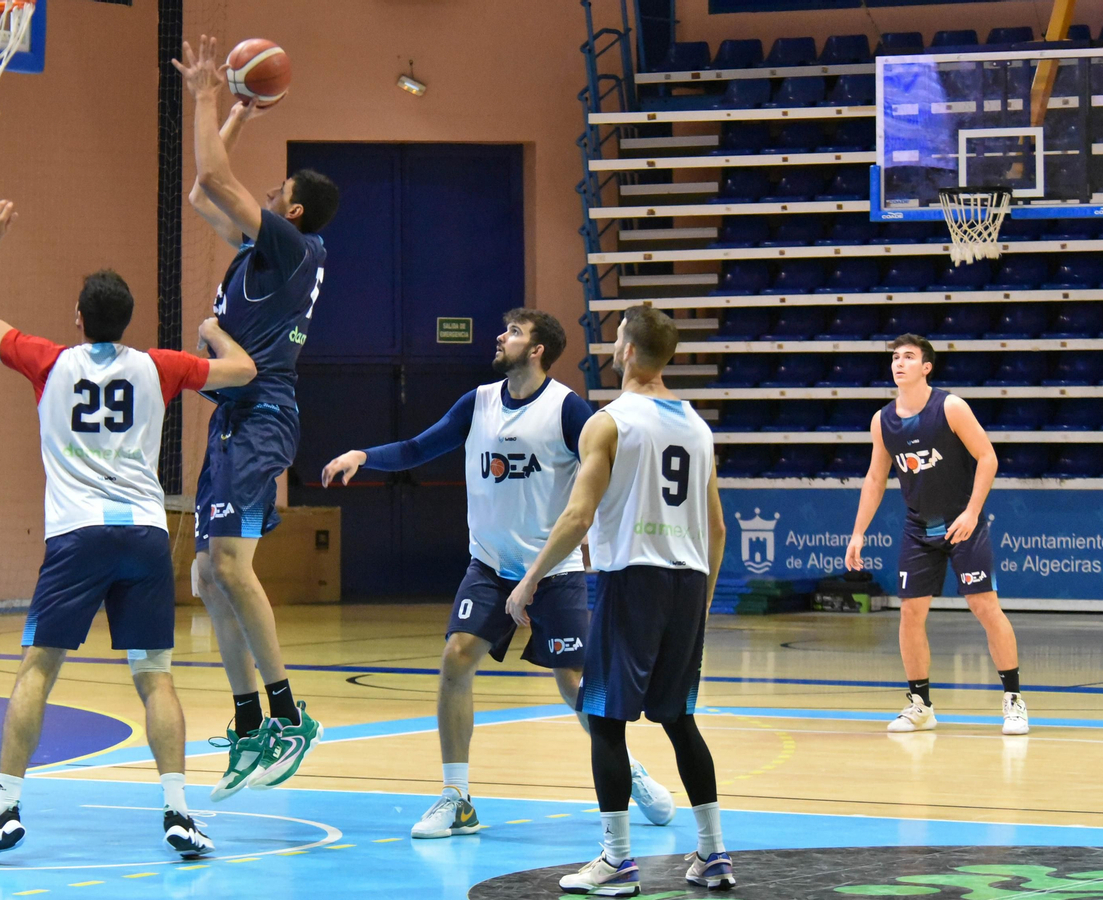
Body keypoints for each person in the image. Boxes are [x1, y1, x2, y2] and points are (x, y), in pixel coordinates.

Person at [0, 200, 258, 862]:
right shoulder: (161, 366)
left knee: (37, 669)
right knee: (155, 677)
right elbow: (244, 374)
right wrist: (213, 331)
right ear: (125, 321)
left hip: (77, 537)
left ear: (79, 319)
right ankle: (179, 811)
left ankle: (3, 809)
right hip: (146, 535)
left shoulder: (48, 361)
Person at [321, 309, 674, 840]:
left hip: (551, 570)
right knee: (456, 655)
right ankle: (456, 798)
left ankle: (630, 770)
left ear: (536, 350)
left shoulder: (568, 410)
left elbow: (609, 469)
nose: (500, 336)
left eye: (513, 331)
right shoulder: (478, 402)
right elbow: (420, 448)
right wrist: (363, 455)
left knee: (573, 681)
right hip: (488, 565)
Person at [508, 306, 735, 895]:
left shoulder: (607, 423)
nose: (611, 346)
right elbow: (717, 528)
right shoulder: (697, 425)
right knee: (679, 719)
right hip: (686, 582)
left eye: (615, 339)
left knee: (606, 720)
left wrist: (531, 577)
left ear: (628, 351)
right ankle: (713, 854)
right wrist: (703, 600)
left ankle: (617, 861)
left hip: (630, 579)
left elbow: (579, 514)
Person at [173, 37, 340, 800]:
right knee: (207, 574)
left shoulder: (292, 248)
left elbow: (211, 175)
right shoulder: (256, 256)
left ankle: (286, 713)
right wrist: (241, 109)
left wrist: (208, 93)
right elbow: (200, 196)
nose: (263, 197)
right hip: (234, 417)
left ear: (292, 211)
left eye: (274, 192)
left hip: (262, 412)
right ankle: (247, 723)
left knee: (232, 567)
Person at [846, 334, 1027, 736]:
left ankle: (1013, 700)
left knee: (984, 607)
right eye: (895, 357)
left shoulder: (950, 406)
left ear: (926, 366)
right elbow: (876, 479)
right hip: (918, 528)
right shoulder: (882, 421)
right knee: (910, 614)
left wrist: (972, 512)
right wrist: (858, 533)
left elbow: (988, 457)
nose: (899, 363)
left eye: (909, 357)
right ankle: (920, 705)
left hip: (963, 524)